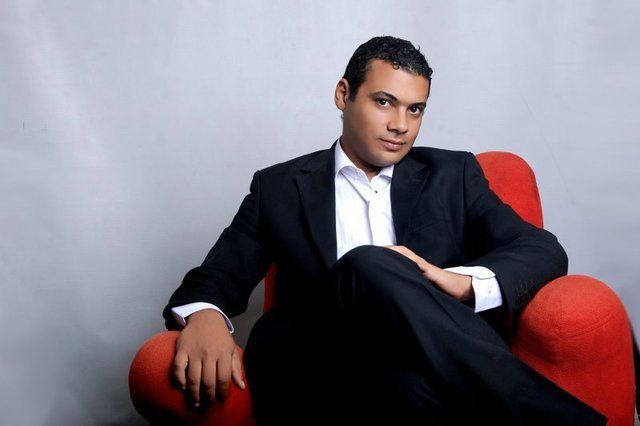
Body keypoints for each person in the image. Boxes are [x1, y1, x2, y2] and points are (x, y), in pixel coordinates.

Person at [162, 36, 607, 425]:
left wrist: (464, 282)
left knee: (407, 391)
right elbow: (213, 279)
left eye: (415, 109)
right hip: (314, 363)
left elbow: (541, 249)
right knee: (368, 264)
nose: (401, 125)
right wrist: (204, 316)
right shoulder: (280, 186)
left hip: (416, 371)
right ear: (343, 94)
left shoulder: (452, 175)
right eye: (384, 102)